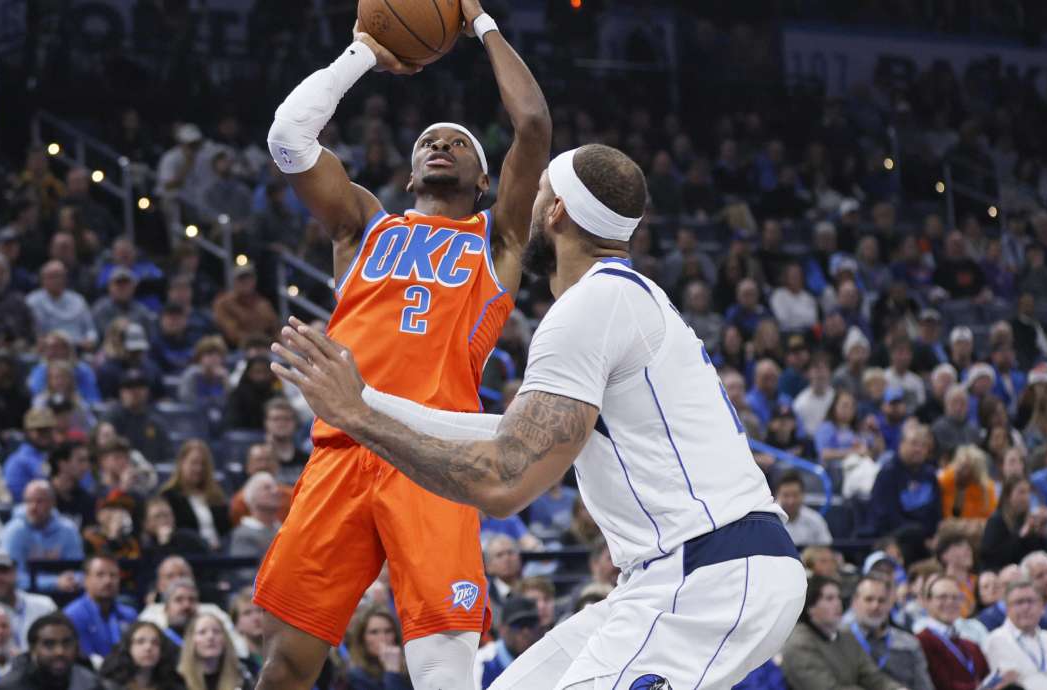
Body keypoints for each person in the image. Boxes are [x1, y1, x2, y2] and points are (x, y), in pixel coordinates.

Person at [271, 143, 806, 688]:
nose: (521, 205)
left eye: (538, 194)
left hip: (711, 576)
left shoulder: (590, 308)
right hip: (668, 578)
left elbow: (505, 479)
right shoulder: (618, 299)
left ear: (556, 212)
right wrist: (366, 402)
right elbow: (512, 434)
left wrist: (358, 420)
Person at [252, 2, 551, 686]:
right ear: (410, 175)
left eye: (459, 143)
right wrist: (363, 52)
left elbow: (532, 125)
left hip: (434, 454)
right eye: (427, 142)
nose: (439, 144)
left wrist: (478, 20)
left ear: (484, 181)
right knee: (288, 665)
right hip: (343, 452)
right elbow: (289, 138)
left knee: (442, 671)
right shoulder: (363, 226)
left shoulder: (496, 240)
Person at [781, 575, 902, 689]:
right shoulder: (798, 644)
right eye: (829, 598)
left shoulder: (846, 636)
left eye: (838, 597)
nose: (838, 603)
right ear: (810, 607)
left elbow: (873, 677)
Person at [916, 575, 1005, 690]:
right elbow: (937, 684)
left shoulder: (971, 646)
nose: (950, 602)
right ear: (927, 602)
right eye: (942, 597)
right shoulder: (921, 642)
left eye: (955, 597)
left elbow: (986, 677)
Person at [845, 575, 934, 690]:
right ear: (854, 602)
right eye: (869, 599)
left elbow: (924, 686)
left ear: (889, 605)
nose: (875, 606)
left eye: (881, 600)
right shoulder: (839, 639)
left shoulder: (908, 643)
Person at [0, 480, 84, 593]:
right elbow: (11, 578)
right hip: (26, 595)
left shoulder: (68, 530)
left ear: (52, 503)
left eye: (39, 501)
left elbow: (78, 569)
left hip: (65, 593)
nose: (33, 507)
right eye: (28, 501)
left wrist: (73, 581)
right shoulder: (14, 531)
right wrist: (54, 583)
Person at [981, 578, 1047, 689]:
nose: (1026, 607)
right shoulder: (996, 641)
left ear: (1042, 606)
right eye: (1019, 602)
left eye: (1031, 601)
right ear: (1007, 608)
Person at [868, 423, 943, 539]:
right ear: (901, 445)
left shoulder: (930, 475)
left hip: (928, 538)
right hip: (896, 538)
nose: (918, 449)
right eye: (914, 444)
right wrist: (921, 536)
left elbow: (937, 513)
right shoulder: (888, 474)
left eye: (923, 446)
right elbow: (887, 518)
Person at [0, 613, 101, 690]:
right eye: (49, 644)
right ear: (32, 649)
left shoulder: (90, 683)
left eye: (66, 643)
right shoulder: (11, 686)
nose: (60, 652)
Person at [62, 556, 137, 660]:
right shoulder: (72, 615)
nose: (108, 581)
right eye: (100, 575)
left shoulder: (129, 615)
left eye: (113, 575)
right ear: (85, 580)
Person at [160, 440, 230, 550]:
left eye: (203, 464)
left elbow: (227, 530)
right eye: (194, 463)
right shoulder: (168, 496)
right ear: (181, 463)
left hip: (220, 554)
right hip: (190, 555)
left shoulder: (216, 496)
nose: (199, 469)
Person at [980, 476, 1047, 572]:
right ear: (1008, 495)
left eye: (1028, 492)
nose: (1026, 497)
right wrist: (1022, 535)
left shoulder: (1026, 521)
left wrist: (1041, 534)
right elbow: (994, 558)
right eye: (1021, 492)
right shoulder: (996, 521)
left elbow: (1041, 555)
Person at [26, 261, 97, 348]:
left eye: (59, 276)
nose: (56, 280)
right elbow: (32, 333)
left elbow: (91, 330)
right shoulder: (32, 301)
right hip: (50, 348)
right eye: (51, 277)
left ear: (65, 278)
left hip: (79, 348)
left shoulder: (78, 299)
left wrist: (90, 340)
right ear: (42, 279)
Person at [342, 603, 414, 690]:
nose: (383, 638)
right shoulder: (356, 676)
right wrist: (392, 672)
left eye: (388, 631)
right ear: (362, 638)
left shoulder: (410, 665)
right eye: (374, 632)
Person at [475, 597, 541, 689]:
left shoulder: (544, 658)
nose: (525, 631)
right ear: (502, 628)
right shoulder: (481, 662)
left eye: (530, 624)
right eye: (519, 624)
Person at [99, 621, 186, 690]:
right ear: (127, 648)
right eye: (140, 642)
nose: (148, 647)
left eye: (155, 643)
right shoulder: (109, 685)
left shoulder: (173, 685)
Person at [176, 613, 250, 690]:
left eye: (216, 631)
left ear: (225, 639)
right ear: (191, 641)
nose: (210, 637)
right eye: (202, 632)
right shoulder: (178, 680)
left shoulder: (241, 677)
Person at [3, 407, 58, 502]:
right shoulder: (19, 460)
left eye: (48, 430)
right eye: (40, 430)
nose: (45, 434)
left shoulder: (51, 455)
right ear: (27, 431)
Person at [228, 472, 282, 566]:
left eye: (275, 486)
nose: (275, 491)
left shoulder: (284, 528)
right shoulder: (243, 535)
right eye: (267, 488)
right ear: (252, 497)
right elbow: (246, 573)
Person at [775, 470, 833, 547]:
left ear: (803, 495)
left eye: (795, 495)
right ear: (777, 495)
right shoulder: (767, 520)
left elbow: (827, 549)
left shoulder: (815, 520)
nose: (791, 501)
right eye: (786, 495)